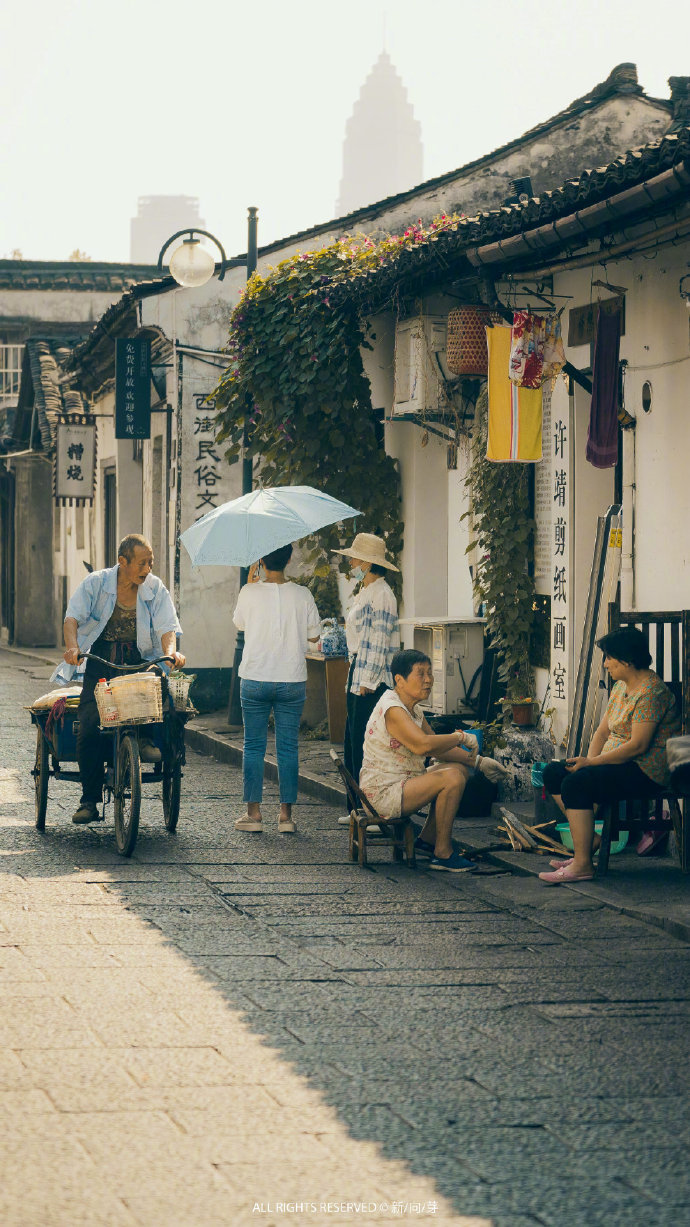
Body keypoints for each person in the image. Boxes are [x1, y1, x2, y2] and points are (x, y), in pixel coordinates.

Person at [54, 534, 184, 825]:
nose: (147, 568)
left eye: (150, 562)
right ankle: (89, 800)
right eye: (142, 563)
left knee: (158, 698)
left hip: (139, 660)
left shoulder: (154, 588)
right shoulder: (96, 583)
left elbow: (167, 627)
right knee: (88, 723)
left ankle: (146, 738)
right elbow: (72, 618)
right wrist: (73, 647)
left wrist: (171, 654)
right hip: (101, 660)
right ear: (122, 562)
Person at [539, 627, 680, 885]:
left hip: (645, 770)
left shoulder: (652, 692)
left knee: (576, 783)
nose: (605, 664)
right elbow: (601, 733)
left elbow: (638, 745)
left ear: (626, 659)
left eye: (609, 657)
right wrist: (587, 764)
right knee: (554, 773)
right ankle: (588, 842)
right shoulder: (620, 687)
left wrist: (590, 764)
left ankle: (582, 864)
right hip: (613, 763)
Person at [359, 649, 509, 872]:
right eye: (421, 674)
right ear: (399, 680)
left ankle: (428, 840)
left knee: (456, 769)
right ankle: (442, 853)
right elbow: (424, 745)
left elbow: (437, 750)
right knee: (450, 777)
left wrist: (478, 762)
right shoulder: (393, 709)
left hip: (402, 783)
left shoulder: (412, 708)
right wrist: (460, 736)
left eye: (430, 673)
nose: (428, 680)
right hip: (382, 793)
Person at [232, 543, 321, 835]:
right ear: (289, 559)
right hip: (291, 678)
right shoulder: (303, 594)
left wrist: (249, 584)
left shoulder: (249, 592)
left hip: (255, 677)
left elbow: (240, 624)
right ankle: (286, 816)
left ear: (260, 561)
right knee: (288, 747)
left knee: (254, 746)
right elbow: (314, 635)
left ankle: (254, 814)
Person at [332, 532, 399, 822]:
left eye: (355, 558)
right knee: (351, 743)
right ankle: (356, 807)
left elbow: (379, 641)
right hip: (358, 675)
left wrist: (367, 682)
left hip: (370, 681)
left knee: (364, 747)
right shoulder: (366, 589)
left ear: (369, 563)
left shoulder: (382, 594)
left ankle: (367, 809)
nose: (351, 562)